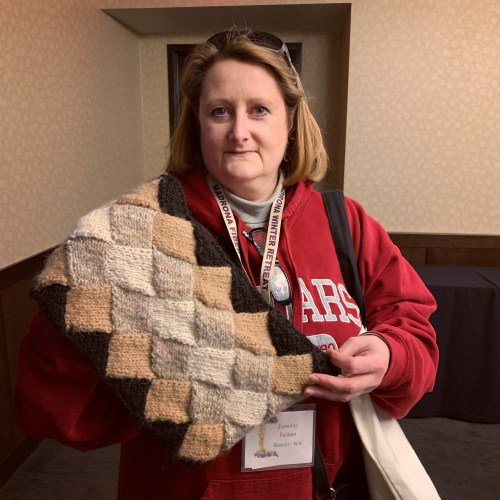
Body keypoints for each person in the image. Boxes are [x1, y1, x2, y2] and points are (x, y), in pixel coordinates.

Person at [14, 29, 438, 499]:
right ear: (197, 124)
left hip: (327, 487)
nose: (239, 131)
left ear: (290, 120)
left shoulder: (346, 223)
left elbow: (415, 331)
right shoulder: (142, 234)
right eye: (219, 111)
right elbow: (56, 413)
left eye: (259, 109)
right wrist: (76, 302)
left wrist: (390, 355)